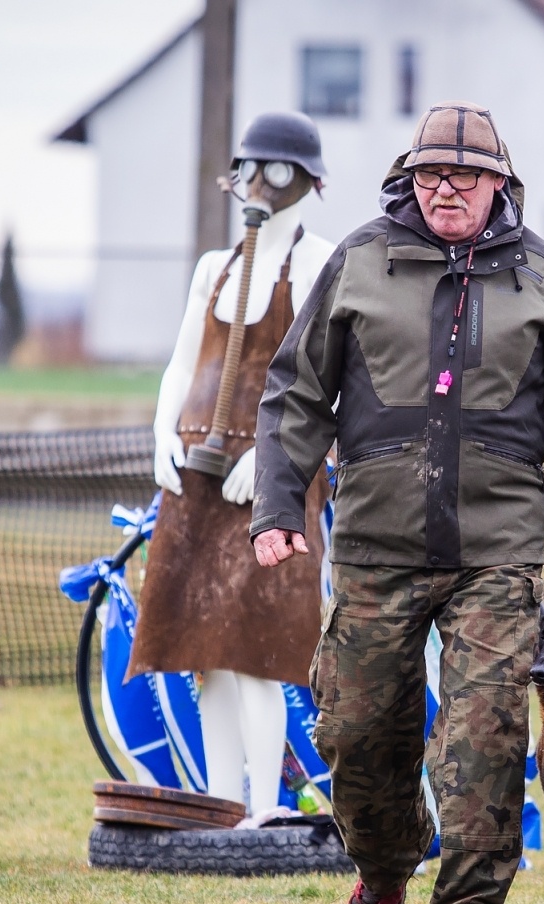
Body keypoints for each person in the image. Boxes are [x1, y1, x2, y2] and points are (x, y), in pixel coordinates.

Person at [251, 101, 544, 904]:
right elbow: (296, 394)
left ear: (500, 184)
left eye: (463, 175)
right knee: (353, 728)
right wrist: (277, 506)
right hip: (376, 545)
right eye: (428, 174)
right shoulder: (358, 261)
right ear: (406, 178)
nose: (445, 189)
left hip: (498, 553)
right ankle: (384, 867)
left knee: (486, 731)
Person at [127, 112, 336, 816]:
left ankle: (265, 804)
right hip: (200, 468)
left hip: (271, 478)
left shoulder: (318, 263)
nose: (260, 186)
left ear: (304, 181)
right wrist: (164, 430)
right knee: (206, 650)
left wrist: (282, 460)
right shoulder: (216, 268)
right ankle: (222, 803)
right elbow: (184, 362)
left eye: (275, 172)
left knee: (258, 650)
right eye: (250, 169)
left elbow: (326, 381)